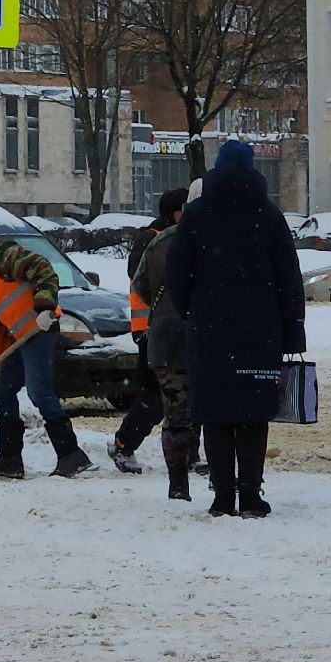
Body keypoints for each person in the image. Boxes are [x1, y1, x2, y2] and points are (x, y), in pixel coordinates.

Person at [166, 140, 305, 519]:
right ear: (251, 170)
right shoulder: (269, 215)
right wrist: (292, 332)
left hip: (210, 332)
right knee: (252, 413)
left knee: (215, 413)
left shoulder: (196, 215)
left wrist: (193, 312)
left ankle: (223, 496)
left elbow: (176, 275)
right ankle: (251, 495)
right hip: (260, 332)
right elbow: (289, 280)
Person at [0, 227, 94, 478]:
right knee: (4, 390)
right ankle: (9, 458)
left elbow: (41, 267)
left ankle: (71, 454)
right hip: (18, 337)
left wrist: (45, 306)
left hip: (40, 327)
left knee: (39, 391)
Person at [110, 187, 190, 474]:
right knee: (155, 395)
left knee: (183, 391)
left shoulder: (178, 236)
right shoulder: (154, 239)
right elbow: (141, 281)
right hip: (150, 327)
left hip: (171, 327)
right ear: (174, 212)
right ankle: (123, 444)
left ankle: (189, 453)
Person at [128, 186, 199, 500]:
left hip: (164, 336)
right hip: (207, 337)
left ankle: (178, 483)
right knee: (212, 409)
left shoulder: (159, 241)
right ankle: (221, 477)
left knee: (174, 411)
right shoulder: (216, 239)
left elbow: (141, 285)